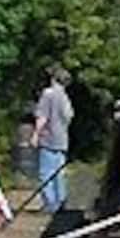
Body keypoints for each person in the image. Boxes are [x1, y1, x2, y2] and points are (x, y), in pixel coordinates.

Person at [31, 67, 75, 213]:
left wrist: (36, 134)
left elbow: (42, 116)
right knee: (59, 173)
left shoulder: (48, 94)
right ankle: (61, 201)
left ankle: (50, 203)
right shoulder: (64, 97)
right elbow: (69, 117)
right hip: (62, 140)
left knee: (46, 173)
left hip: (48, 139)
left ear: (53, 79)